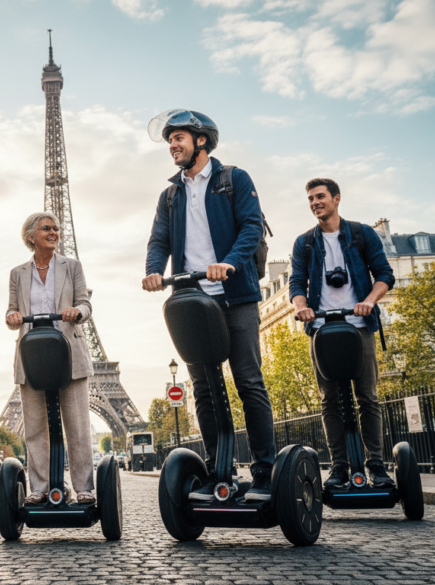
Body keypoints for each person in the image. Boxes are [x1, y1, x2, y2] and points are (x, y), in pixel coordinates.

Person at [143, 109, 276, 502]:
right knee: (203, 387)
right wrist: (153, 271)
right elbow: (158, 241)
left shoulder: (233, 179)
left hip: (235, 296)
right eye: (170, 140)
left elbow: (251, 226)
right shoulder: (171, 194)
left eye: (179, 137)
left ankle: (265, 470)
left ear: (201, 141)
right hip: (191, 298)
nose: (172, 145)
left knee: (248, 381)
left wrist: (230, 262)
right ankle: (220, 467)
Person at [290, 178, 396, 489]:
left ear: (337, 198)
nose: (315, 203)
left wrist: (368, 301)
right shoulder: (305, 242)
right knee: (329, 400)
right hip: (321, 329)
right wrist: (301, 306)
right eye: (310, 198)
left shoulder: (362, 234)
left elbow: (385, 274)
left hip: (359, 326)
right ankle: (338, 466)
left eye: (320, 196)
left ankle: (376, 464)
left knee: (368, 397)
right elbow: (297, 283)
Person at [6, 212, 96, 505]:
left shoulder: (72, 267)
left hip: (68, 353)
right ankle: (40, 488)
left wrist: (77, 312)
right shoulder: (17, 273)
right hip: (33, 354)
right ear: (31, 237)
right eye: (46, 228)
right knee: (34, 427)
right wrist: (13, 316)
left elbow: (85, 303)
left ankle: (83, 487)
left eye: (56, 228)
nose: (54, 232)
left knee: (78, 426)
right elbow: (11, 312)